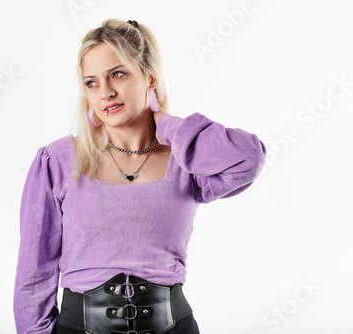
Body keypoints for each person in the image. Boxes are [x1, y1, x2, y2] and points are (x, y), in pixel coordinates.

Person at [13, 19, 267, 334]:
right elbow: (34, 274)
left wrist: (169, 125)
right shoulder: (58, 161)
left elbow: (249, 157)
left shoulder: (185, 161)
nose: (105, 92)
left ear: (150, 77)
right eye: (91, 82)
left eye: (118, 74)